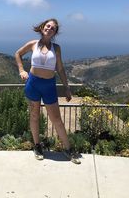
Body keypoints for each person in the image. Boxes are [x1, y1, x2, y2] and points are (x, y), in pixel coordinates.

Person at [15, 18, 81, 164]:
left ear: (55, 32)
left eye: (53, 28)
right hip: (33, 83)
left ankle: (68, 149)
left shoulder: (56, 48)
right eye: (48, 26)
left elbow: (60, 69)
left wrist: (67, 88)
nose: (49, 28)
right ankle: (37, 146)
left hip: (49, 86)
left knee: (56, 119)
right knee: (34, 116)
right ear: (42, 27)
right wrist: (21, 70)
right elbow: (18, 54)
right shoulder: (33, 44)